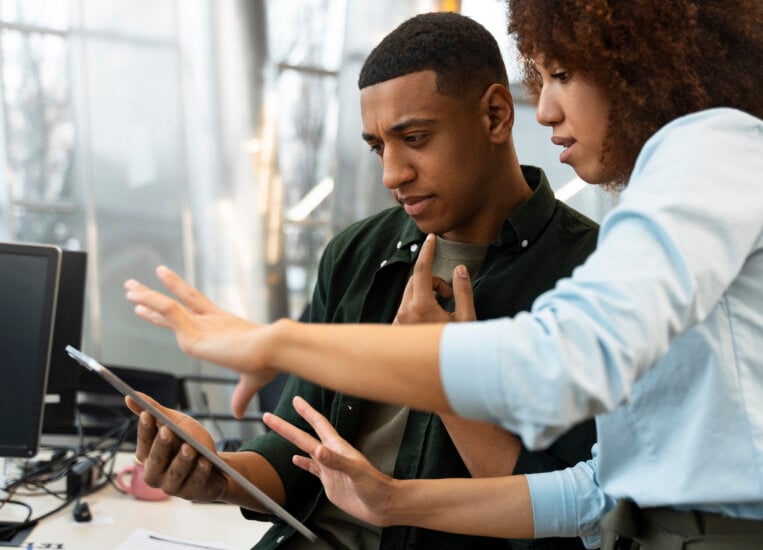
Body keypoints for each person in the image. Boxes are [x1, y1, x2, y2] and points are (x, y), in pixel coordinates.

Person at [124, 0, 763, 548]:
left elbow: (558, 363)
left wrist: (279, 342)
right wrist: (395, 501)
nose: (546, 108)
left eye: (562, 73)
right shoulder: (671, 192)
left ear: (639, 63)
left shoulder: (709, 153)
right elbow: (602, 489)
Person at [125, 11, 599, 550]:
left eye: (414, 138)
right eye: (378, 147)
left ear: (495, 115)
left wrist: (438, 367)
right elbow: (296, 456)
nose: (391, 173)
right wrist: (214, 476)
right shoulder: (356, 253)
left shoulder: (591, 272)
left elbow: (573, 517)